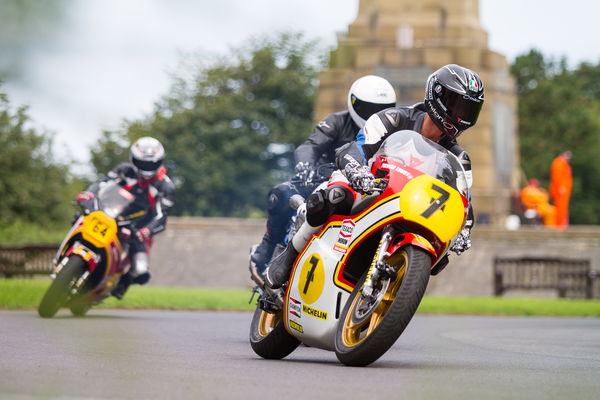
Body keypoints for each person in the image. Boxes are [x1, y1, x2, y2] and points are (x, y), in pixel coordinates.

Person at [265, 64, 484, 289]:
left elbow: (464, 203)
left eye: (469, 111)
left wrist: (464, 230)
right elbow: (356, 148)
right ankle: (290, 255)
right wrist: (357, 171)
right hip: (367, 185)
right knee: (335, 196)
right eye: (457, 106)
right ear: (436, 95)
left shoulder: (459, 158)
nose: (461, 116)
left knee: (441, 256)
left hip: (409, 206)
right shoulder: (393, 119)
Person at [249, 75, 397, 276]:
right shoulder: (337, 121)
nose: (374, 114)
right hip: (322, 180)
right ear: (353, 102)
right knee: (281, 193)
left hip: (368, 189)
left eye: (380, 109)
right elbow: (311, 146)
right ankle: (268, 246)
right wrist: (305, 165)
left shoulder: (393, 131)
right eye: (368, 108)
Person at [75, 137, 176, 298]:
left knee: (141, 269)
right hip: (110, 212)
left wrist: (146, 231)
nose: (146, 168)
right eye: (142, 163)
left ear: (159, 162)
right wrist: (89, 194)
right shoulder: (124, 170)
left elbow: (162, 216)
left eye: (151, 164)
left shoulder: (166, 186)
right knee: (81, 215)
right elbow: (102, 184)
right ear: (134, 159)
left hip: (138, 226)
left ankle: (121, 284)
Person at [549, 151, 572, 229]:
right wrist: (560, 187)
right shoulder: (558, 163)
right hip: (560, 191)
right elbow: (556, 177)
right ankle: (559, 226)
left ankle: (562, 224)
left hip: (564, 191)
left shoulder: (564, 164)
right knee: (560, 208)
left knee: (563, 209)